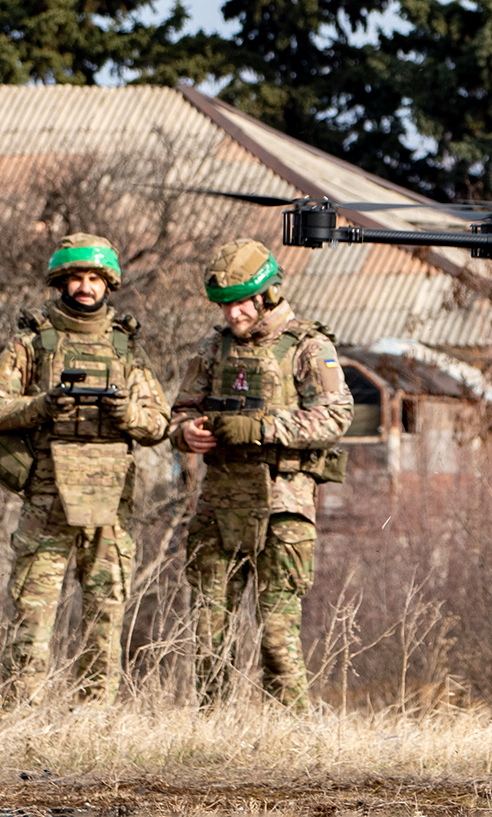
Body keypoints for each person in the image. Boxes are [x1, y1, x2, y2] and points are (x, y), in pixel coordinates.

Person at [0, 234, 169, 706]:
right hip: (46, 498)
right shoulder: (32, 342)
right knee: (31, 610)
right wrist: (43, 405)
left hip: (109, 502)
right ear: (62, 281)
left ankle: (94, 715)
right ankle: (19, 710)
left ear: (109, 284)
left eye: (95, 279)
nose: (85, 287)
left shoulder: (126, 346)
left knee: (106, 609)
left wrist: (127, 416)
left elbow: (159, 421)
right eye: (77, 278)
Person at [171, 239, 351, 710]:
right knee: (209, 628)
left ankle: (290, 736)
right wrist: (186, 433)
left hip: (283, 505)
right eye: (225, 306)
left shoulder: (309, 347)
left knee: (277, 636)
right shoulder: (213, 349)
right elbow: (179, 411)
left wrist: (264, 428)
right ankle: (211, 730)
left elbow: (335, 417)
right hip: (220, 505)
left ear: (267, 294)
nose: (233, 315)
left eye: (241, 303)